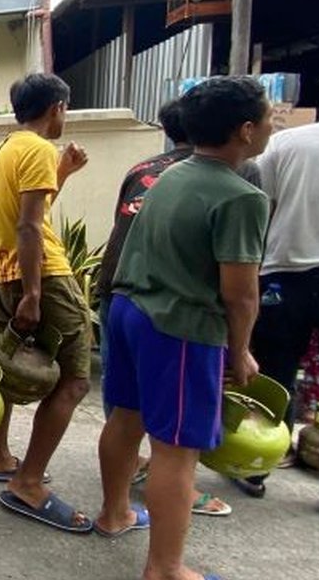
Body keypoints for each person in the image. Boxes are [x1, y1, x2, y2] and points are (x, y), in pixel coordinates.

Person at [98, 76, 270, 578]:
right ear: (244, 130)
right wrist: (239, 352)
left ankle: (114, 513)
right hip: (178, 326)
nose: (268, 125)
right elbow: (240, 293)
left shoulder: (167, 174)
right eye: (265, 117)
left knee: (125, 420)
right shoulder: (240, 197)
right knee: (176, 451)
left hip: (129, 309)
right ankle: (166, 568)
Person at [95, 98, 231, 517]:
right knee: (174, 435)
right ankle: (173, 499)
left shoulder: (143, 170)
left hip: (118, 290)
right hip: (173, 309)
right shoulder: (226, 181)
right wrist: (240, 341)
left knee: (126, 408)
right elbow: (237, 276)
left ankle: (116, 507)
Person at [0, 73, 93, 533]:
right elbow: (30, 227)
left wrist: (62, 173)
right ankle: (27, 483)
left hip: (1, 274)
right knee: (75, 381)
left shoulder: (6, 149)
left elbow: (29, 214)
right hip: (41, 273)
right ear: (57, 108)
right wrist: (33, 293)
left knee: (7, 369)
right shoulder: (39, 149)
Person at [241, 117, 319, 516]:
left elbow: (262, 206)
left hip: (284, 271)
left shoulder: (287, 142)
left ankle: (254, 466)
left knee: (275, 375)